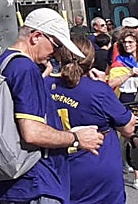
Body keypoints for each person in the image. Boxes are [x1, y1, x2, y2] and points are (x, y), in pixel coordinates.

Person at [0, 8, 106, 204]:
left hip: (15, 181)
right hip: (36, 181)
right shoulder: (25, 68)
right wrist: (76, 138)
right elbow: (32, 132)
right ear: (36, 37)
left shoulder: (4, 62)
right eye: (56, 45)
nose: (56, 53)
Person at [50, 35, 136, 204]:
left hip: (58, 167)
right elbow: (128, 127)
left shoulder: (44, 85)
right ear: (91, 59)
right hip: (98, 171)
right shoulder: (98, 90)